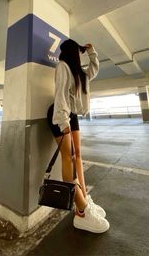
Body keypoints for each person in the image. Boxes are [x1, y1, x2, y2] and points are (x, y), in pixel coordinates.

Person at [47, 39, 110, 233]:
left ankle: (83, 199)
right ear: (71, 52)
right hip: (60, 115)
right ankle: (82, 211)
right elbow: (60, 96)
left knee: (78, 156)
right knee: (69, 158)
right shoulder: (63, 67)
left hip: (72, 115)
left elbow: (94, 70)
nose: (79, 55)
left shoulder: (80, 73)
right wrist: (63, 122)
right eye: (79, 52)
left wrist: (92, 52)